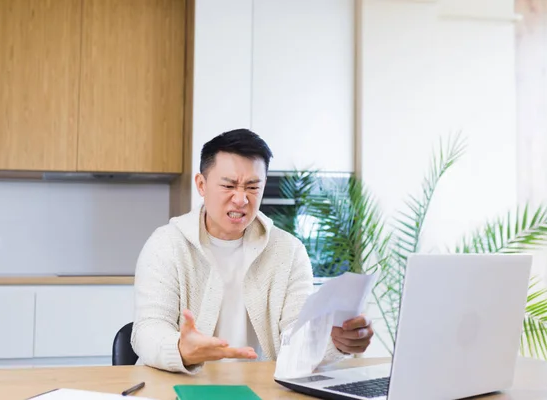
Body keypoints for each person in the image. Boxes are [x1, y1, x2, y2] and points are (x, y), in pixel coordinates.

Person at [131, 128, 373, 374]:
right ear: (201, 185)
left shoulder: (289, 251)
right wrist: (181, 350)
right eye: (229, 185)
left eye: (252, 187)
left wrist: (335, 342)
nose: (241, 199)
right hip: (182, 383)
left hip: (262, 387)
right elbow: (148, 329)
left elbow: (296, 335)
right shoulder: (166, 244)